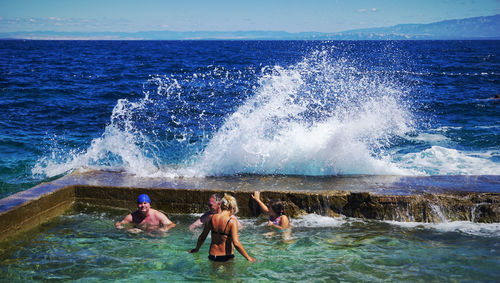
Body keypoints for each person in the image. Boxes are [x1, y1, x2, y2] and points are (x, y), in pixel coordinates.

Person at [190, 194, 255, 262]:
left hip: (212, 256)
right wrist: (248, 258)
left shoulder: (211, 218)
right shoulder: (232, 221)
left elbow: (202, 237)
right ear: (231, 207)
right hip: (226, 257)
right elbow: (236, 243)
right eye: (234, 208)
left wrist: (196, 249)